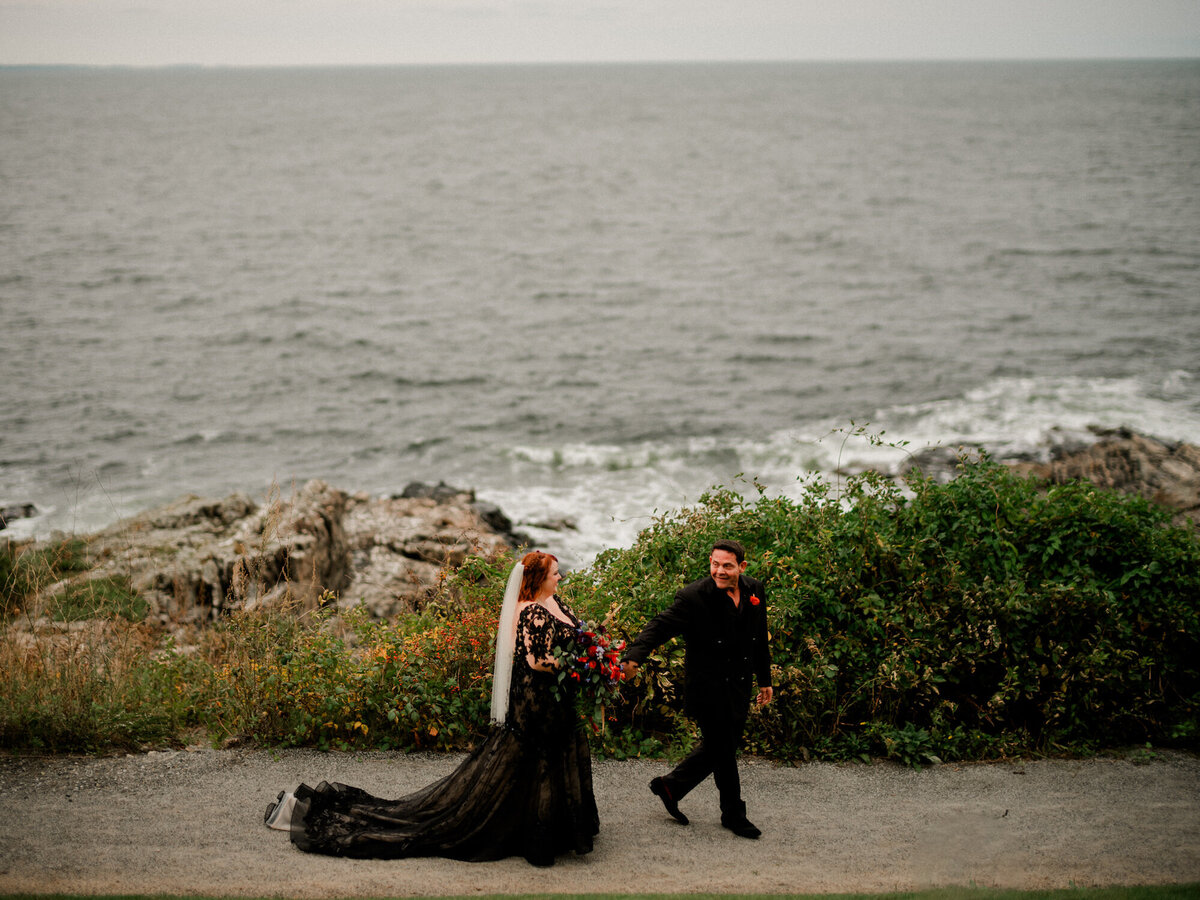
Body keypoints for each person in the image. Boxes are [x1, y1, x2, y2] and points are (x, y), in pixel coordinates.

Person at [263, 551, 598, 867]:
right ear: (539, 578)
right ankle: (535, 836)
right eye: (555, 573)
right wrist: (577, 666)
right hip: (537, 700)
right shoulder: (534, 611)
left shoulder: (548, 603)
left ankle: (544, 831)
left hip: (549, 701)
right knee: (531, 761)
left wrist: (592, 653)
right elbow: (536, 661)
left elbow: (574, 631)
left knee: (535, 761)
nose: (560, 577)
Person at [621, 539, 772, 838]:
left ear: (742, 567)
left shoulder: (754, 590)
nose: (719, 571)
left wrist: (765, 679)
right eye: (715, 564)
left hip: (739, 684)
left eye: (727, 566)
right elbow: (659, 626)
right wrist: (633, 657)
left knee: (722, 746)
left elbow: (758, 639)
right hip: (707, 687)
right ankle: (733, 814)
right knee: (724, 750)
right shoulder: (693, 597)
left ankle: (671, 786)